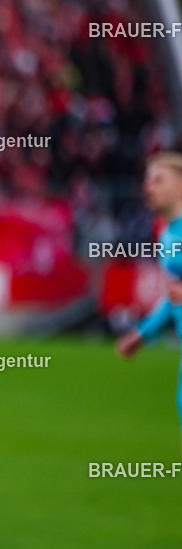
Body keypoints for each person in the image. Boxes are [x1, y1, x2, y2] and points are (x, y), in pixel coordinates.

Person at [116, 152, 182, 439]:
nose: (148, 187)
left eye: (158, 180)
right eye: (147, 180)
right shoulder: (167, 235)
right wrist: (143, 333)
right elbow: (174, 296)